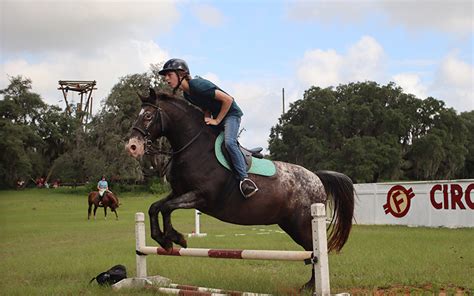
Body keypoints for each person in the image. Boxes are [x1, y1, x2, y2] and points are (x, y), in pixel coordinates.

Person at [158, 58, 258, 198]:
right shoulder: (187, 94)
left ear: (181, 74)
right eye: (165, 76)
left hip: (231, 114)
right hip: (218, 116)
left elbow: (228, 100)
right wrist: (206, 116)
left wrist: (217, 120)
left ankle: (245, 180)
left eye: (169, 75)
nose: (166, 79)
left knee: (229, 142)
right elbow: (206, 106)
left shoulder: (197, 85)